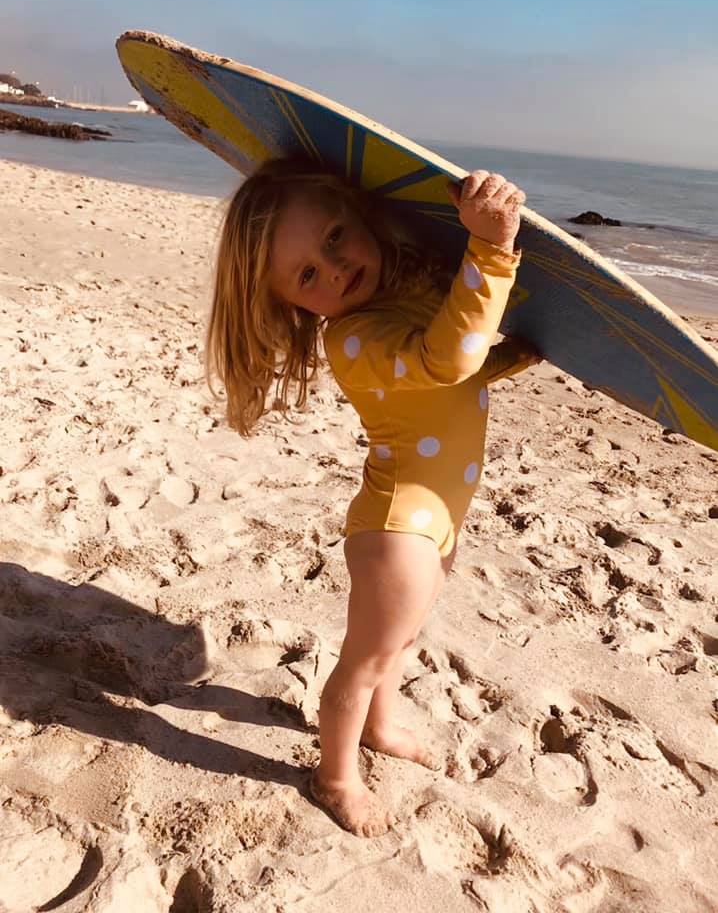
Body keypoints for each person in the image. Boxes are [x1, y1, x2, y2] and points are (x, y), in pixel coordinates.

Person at [206, 158, 541, 837]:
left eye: (334, 238)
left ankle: (381, 727)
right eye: (307, 276)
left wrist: (520, 354)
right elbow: (448, 360)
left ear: (358, 215)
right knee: (363, 661)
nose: (333, 270)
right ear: (294, 304)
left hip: (437, 516)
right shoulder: (354, 337)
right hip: (399, 527)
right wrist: (491, 250)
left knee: (401, 640)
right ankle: (334, 777)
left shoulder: (396, 304)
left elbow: (454, 376)